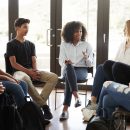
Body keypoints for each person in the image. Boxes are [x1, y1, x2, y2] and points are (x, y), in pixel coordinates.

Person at [6, 18, 58, 120]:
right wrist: (29, 72)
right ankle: (44, 107)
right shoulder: (10, 44)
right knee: (25, 79)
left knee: (53, 77)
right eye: (25, 27)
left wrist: (35, 71)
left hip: (31, 70)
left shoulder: (31, 44)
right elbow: (14, 64)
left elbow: (34, 60)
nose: (27, 29)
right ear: (17, 28)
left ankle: (36, 105)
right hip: (18, 72)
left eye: (28, 27)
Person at [85, 20, 130, 114]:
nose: (124, 30)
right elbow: (116, 60)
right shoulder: (123, 44)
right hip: (118, 73)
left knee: (116, 66)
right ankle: (93, 101)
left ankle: (116, 90)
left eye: (125, 28)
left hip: (127, 75)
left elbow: (117, 64)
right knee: (102, 66)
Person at [59, 21, 94, 121]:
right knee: (69, 68)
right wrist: (66, 62)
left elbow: (90, 64)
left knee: (68, 79)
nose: (79, 33)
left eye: (80, 31)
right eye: (76, 32)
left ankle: (65, 109)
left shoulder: (87, 45)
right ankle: (76, 96)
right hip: (68, 68)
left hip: (81, 70)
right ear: (70, 33)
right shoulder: (64, 45)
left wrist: (87, 58)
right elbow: (61, 60)